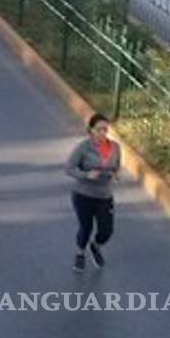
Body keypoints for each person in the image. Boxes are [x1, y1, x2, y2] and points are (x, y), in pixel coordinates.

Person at [65, 112, 120, 272]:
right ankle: (80, 254)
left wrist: (115, 175)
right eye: (99, 130)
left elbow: (117, 166)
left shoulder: (115, 147)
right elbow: (69, 168)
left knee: (106, 230)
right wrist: (86, 175)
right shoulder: (83, 148)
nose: (102, 133)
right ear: (91, 130)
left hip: (104, 196)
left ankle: (95, 246)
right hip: (83, 195)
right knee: (86, 227)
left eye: (105, 130)